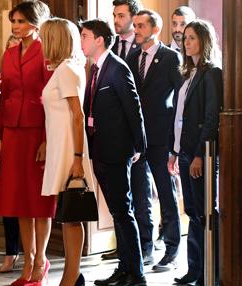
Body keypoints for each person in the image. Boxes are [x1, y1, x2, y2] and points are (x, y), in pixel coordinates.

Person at [79, 19, 147, 286]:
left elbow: (134, 108)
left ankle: (137, 273)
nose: (81, 41)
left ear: (99, 40)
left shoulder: (117, 68)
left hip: (117, 152)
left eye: (85, 36)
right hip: (100, 151)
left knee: (123, 212)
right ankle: (124, 268)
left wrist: (139, 147)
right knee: (118, 212)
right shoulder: (95, 69)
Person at [0, 1, 55, 285]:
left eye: (20, 21)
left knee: (38, 201)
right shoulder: (8, 53)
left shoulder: (47, 52)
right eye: (13, 21)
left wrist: (46, 139)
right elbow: (4, 98)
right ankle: (27, 260)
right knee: (18, 200)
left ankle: (41, 260)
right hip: (13, 133)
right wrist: (0, 137)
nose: (15, 26)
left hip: (36, 132)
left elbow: (51, 101)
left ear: (35, 21)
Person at [126, 9, 184, 272]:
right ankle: (146, 248)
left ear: (154, 29)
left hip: (161, 138)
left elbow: (180, 100)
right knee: (141, 197)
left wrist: (176, 143)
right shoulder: (132, 55)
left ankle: (172, 251)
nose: (135, 30)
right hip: (138, 139)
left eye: (140, 26)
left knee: (166, 194)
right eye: (135, 25)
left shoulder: (171, 57)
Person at [39, 18, 93, 286]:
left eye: (44, 38)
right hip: (62, 146)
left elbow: (77, 116)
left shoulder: (67, 71)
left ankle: (72, 276)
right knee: (69, 216)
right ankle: (73, 274)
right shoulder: (64, 68)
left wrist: (77, 159)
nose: (40, 43)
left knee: (72, 216)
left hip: (70, 150)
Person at [168, 19, 222, 285]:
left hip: (201, 154)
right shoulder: (188, 73)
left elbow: (211, 118)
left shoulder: (212, 72)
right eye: (184, 38)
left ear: (204, 39)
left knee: (203, 214)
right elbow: (179, 117)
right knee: (192, 213)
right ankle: (194, 269)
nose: (186, 42)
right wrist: (175, 152)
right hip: (185, 152)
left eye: (191, 37)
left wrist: (201, 154)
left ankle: (207, 273)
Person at [103, 0, 143, 262]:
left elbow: (136, 101)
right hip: (115, 137)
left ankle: (141, 256)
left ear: (133, 16)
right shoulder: (111, 48)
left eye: (121, 15)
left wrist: (140, 142)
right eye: (114, 15)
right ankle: (124, 255)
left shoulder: (143, 49)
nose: (116, 20)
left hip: (136, 138)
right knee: (121, 203)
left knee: (139, 200)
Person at [0, 34, 22, 274]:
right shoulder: (0, 80)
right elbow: (1, 113)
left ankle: (35, 253)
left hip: (28, 141)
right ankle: (11, 251)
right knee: (8, 200)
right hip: (7, 141)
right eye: (10, 48)